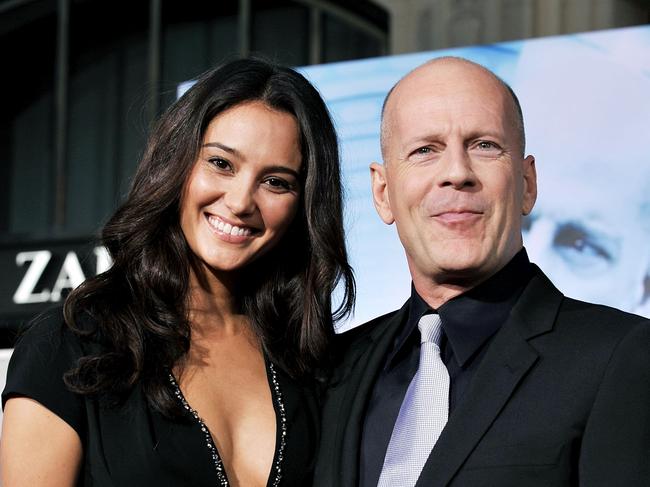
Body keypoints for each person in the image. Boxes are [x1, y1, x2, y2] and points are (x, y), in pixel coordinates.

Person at [1, 58, 355, 487]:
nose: (241, 201)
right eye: (221, 164)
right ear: (176, 164)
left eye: (276, 182)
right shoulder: (68, 346)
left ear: (303, 204)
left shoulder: (313, 363)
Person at [314, 56, 650, 486]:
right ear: (382, 193)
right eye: (425, 150)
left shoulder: (619, 359)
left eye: (484, 145)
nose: (457, 173)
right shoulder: (335, 369)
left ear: (526, 184)